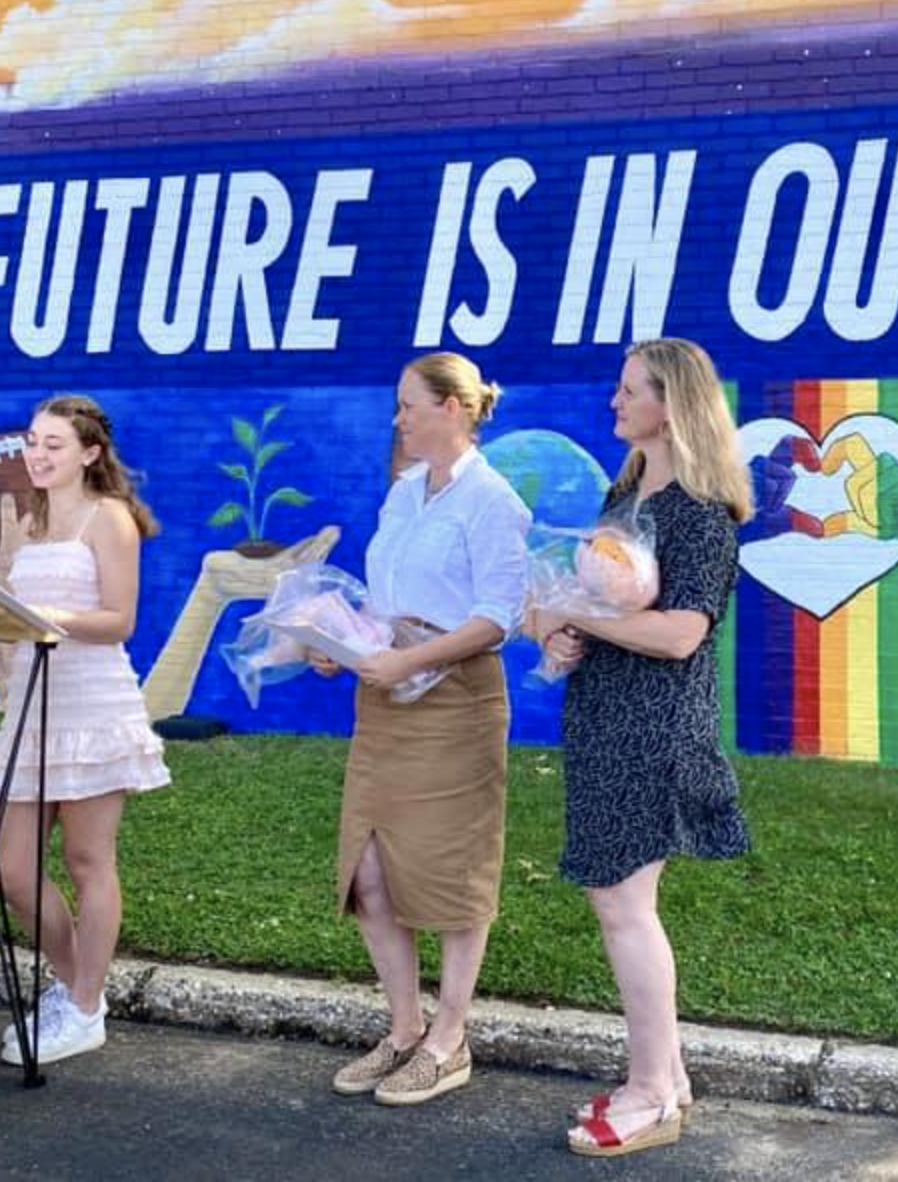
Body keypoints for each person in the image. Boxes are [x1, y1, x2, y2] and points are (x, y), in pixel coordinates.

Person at [533, 337, 754, 1158]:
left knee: (625, 907)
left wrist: (580, 616)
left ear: (672, 405)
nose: (614, 401)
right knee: (621, 906)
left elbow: (680, 635)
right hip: (605, 720)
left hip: (656, 731)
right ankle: (667, 1076)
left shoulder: (697, 511)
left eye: (629, 390)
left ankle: (652, 1091)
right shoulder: (626, 500)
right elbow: (620, 622)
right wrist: (566, 638)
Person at [313, 352, 531, 1106]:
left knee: (454, 870)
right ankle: (404, 1030)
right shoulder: (405, 492)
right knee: (369, 869)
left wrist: (412, 662)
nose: (398, 418)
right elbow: (386, 597)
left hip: (456, 703)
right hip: (385, 701)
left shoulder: (494, 501)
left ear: (454, 409)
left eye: (409, 404)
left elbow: (498, 617)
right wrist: (341, 641)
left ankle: (450, 1037)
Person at [0, 394, 168, 1066]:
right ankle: (73, 985)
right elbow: (14, 611)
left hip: (91, 708)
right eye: (32, 440)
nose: (38, 453)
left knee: (89, 863)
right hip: (32, 706)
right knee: (14, 872)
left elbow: (118, 620)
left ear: (90, 453)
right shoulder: (31, 524)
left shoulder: (107, 517)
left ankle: (85, 1008)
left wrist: (46, 614)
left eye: (54, 444)